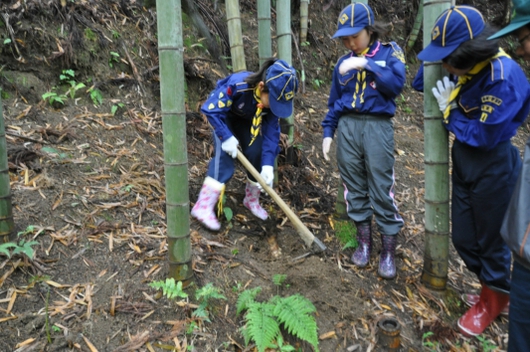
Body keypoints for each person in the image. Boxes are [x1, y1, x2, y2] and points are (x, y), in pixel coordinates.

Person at [418, 5, 530, 337]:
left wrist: (450, 115)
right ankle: (495, 289)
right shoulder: (462, 67)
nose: (445, 67)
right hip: (464, 159)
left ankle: (493, 299)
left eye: (448, 59)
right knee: (465, 238)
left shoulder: (503, 76)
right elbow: (422, 79)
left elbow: (485, 134)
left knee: (490, 239)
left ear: (468, 53)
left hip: (493, 163)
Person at [321, 2, 406, 279]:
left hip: (377, 127)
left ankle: (389, 249)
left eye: (354, 36)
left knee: (382, 186)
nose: (350, 43)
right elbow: (335, 102)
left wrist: (367, 64)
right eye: (345, 38)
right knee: (353, 186)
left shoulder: (390, 53)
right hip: (347, 127)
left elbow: (395, 86)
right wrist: (328, 132)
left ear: (370, 31)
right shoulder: (342, 63)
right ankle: (364, 243)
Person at [191, 58, 298, 231]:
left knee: (257, 151)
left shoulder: (271, 106)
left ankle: (251, 199)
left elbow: (271, 135)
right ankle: (203, 206)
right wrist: (225, 136)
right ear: (262, 86)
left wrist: (268, 166)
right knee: (225, 161)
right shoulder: (238, 85)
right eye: (275, 102)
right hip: (223, 118)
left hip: (246, 121)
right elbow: (210, 108)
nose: (275, 108)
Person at [489, 1, 530, 350]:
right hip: (525, 255)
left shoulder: (507, 75)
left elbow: (491, 129)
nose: (521, 49)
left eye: (525, 37)